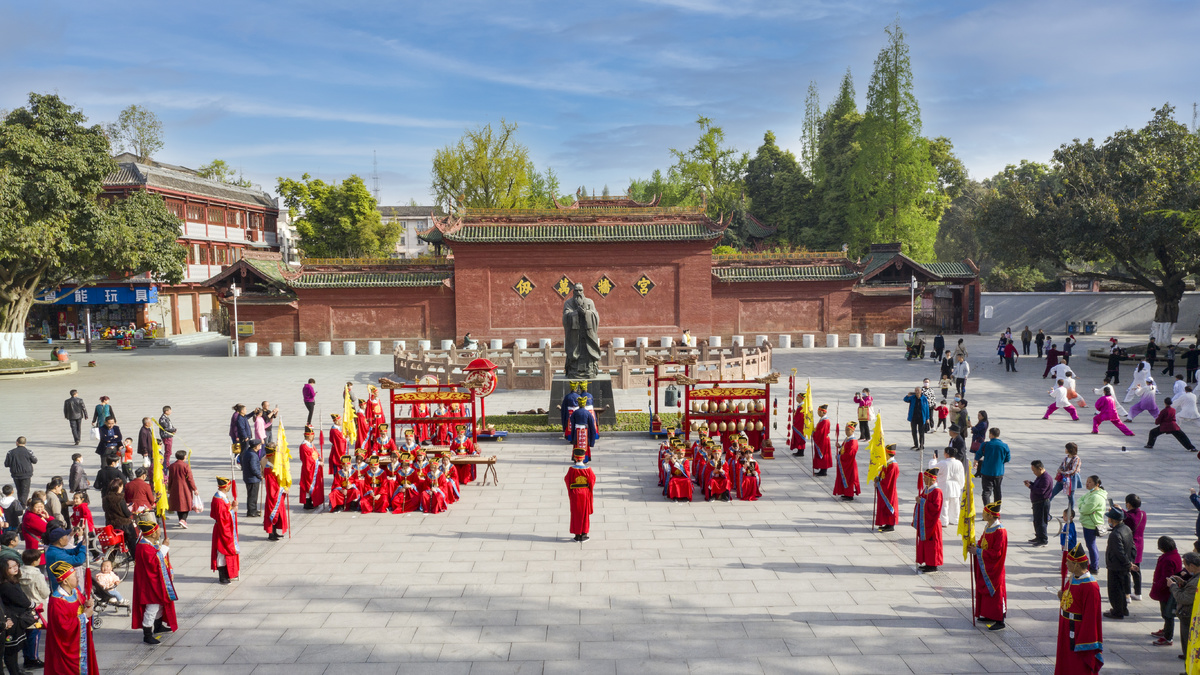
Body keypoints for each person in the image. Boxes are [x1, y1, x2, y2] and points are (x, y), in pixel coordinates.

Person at [1057, 543, 1105, 673]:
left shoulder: (1090, 587)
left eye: (1069, 562)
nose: (1066, 565)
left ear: (1077, 565)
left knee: (1077, 666)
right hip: (1066, 627)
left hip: (1078, 632)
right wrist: (1062, 597)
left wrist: (1084, 641)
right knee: (1065, 662)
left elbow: (1091, 617)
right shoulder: (1073, 578)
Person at [132, 520, 177, 645]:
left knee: (160, 604)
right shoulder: (144, 547)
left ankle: (158, 626)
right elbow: (155, 561)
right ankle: (147, 634)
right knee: (152, 606)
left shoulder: (148, 544)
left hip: (154, 580)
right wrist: (165, 547)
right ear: (153, 534)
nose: (160, 533)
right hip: (149, 583)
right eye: (158, 531)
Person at [967, 500, 1008, 630]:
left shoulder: (1000, 531)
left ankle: (999, 620)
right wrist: (976, 546)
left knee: (996, 591)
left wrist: (978, 551)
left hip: (995, 567)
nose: (983, 514)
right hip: (986, 564)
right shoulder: (988, 526)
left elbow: (997, 553)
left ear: (990, 515)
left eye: (985, 513)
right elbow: (983, 541)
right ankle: (989, 614)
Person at [1101, 504, 1135, 621]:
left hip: (1116, 566)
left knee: (1115, 590)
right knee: (1122, 588)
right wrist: (1131, 562)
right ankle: (1123, 608)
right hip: (1124, 566)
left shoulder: (1115, 534)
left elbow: (1119, 552)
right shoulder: (1127, 529)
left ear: (1112, 519)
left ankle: (1117, 611)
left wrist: (1127, 564)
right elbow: (1132, 547)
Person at [1150, 536, 1182, 647]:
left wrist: (1156, 588)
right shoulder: (1174, 555)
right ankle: (1165, 630)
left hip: (1166, 592)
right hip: (1167, 591)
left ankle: (1168, 637)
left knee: (1168, 614)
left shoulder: (1168, 559)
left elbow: (1166, 578)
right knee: (1166, 613)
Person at [18, 550, 47, 670]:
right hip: (37, 607)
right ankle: (33, 658)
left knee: (25, 633)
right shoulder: (37, 575)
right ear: (35, 561)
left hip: (22, 607)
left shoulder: (19, 572)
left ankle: (27, 657)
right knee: (35, 634)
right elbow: (45, 592)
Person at [210, 477, 240, 585]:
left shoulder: (222, 497)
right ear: (226, 486)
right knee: (221, 552)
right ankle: (222, 576)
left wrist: (232, 506)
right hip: (222, 529)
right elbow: (223, 517)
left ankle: (229, 573)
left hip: (225, 527)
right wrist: (233, 510)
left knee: (226, 551)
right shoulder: (219, 500)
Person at [913, 468, 943, 573]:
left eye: (925, 478)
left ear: (932, 479)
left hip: (933, 522)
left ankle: (933, 565)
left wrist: (922, 501)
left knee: (933, 545)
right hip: (926, 522)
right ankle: (927, 563)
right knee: (926, 544)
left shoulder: (937, 491)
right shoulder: (927, 489)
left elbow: (936, 508)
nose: (924, 480)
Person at [1078, 476, 1107, 575]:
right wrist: (1082, 505)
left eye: (1090, 482)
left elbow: (1085, 509)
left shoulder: (1095, 497)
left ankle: (1094, 567)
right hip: (1087, 522)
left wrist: (1082, 506)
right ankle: (1095, 564)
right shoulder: (1091, 493)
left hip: (1091, 524)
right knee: (1091, 545)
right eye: (1087, 481)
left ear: (1097, 484)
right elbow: (1080, 500)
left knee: (1091, 545)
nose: (1087, 483)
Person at [565, 448, 595, 542]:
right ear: (583, 458)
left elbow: (567, 480)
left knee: (575, 514)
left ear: (575, 457)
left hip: (575, 493)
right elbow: (592, 481)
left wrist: (571, 491)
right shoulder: (588, 470)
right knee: (584, 513)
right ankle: (584, 534)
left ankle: (577, 535)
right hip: (585, 493)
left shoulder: (571, 469)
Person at [974, 428, 1010, 507]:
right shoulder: (1004, 446)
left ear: (991, 434)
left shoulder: (985, 444)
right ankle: (997, 510)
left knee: (986, 491)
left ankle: (987, 510)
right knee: (997, 491)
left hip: (986, 471)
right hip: (998, 472)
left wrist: (975, 461)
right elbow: (1008, 458)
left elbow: (978, 454)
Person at [262, 445, 289, 541]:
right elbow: (272, 486)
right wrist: (282, 489)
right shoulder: (268, 469)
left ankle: (275, 531)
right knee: (272, 513)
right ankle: (271, 533)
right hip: (273, 495)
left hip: (278, 494)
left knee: (278, 513)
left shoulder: (274, 467)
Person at [931, 447, 964, 526]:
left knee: (944, 504)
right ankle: (955, 519)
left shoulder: (943, 463)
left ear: (947, 454)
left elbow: (932, 468)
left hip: (945, 485)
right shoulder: (959, 463)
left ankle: (944, 521)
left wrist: (934, 460)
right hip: (956, 485)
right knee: (955, 504)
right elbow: (962, 475)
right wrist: (961, 485)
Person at [101, 478, 135, 550]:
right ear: (119, 487)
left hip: (111, 525)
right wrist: (130, 510)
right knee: (132, 539)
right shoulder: (120, 498)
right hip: (123, 525)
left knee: (115, 544)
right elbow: (127, 514)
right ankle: (134, 556)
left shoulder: (105, 499)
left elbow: (105, 509)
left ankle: (111, 559)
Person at [166, 450, 197, 528]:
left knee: (178, 503)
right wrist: (194, 488)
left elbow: (171, 479)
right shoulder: (185, 466)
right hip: (185, 487)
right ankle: (183, 519)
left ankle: (181, 519)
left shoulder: (172, 466)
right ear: (183, 457)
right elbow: (190, 478)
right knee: (186, 503)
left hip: (175, 487)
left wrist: (169, 488)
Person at [1025, 461, 1053, 546]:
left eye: (1034, 470)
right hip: (1037, 503)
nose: (1034, 473)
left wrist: (1030, 486)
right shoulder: (1040, 477)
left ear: (1040, 469)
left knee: (1041, 522)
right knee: (1036, 521)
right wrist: (1031, 483)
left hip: (1042, 503)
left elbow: (1041, 491)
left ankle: (1043, 539)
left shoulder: (1046, 478)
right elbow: (1038, 486)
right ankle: (1038, 536)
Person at [1124, 494, 1147, 601]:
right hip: (1139, 544)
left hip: (1129, 545)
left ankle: (1127, 594)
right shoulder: (1143, 513)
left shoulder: (1128, 517)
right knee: (1136, 569)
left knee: (1126, 570)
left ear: (1128, 504)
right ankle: (1138, 593)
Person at [1048, 443, 1084, 510]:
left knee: (1070, 496)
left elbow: (1074, 470)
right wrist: (1059, 470)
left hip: (1070, 479)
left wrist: (1064, 472)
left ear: (1070, 449)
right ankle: (1044, 507)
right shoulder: (1066, 458)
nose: (1065, 450)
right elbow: (1062, 466)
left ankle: (1070, 512)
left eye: (1066, 448)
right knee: (1052, 493)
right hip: (1062, 478)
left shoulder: (1076, 459)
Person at [874, 445, 899, 533]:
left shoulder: (893, 466)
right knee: (883, 506)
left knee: (889, 505)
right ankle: (886, 523)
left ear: (888, 454)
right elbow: (883, 474)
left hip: (889, 490)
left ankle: (890, 524)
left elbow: (888, 480)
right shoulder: (887, 463)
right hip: (885, 488)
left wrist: (879, 482)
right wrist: (878, 477)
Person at [3, 440, 35, 508]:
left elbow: (6, 464)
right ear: (25, 443)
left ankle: (20, 503)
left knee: (19, 489)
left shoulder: (10, 452)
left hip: (16, 474)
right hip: (26, 474)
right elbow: (35, 460)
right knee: (25, 490)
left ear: (17, 442)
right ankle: (22, 505)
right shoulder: (29, 451)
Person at [299, 426, 324, 510]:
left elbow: (315, 453)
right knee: (308, 485)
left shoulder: (311, 444)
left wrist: (319, 457)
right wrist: (318, 463)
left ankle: (314, 500)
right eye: (312, 435)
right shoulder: (304, 446)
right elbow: (308, 460)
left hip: (314, 469)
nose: (313, 437)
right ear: (309, 436)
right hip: (308, 469)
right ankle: (307, 503)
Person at [833, 423, 860, 501]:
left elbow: (850, 454)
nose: (846, 431)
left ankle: (850, 494)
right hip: (845, 463)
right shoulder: (847, 439)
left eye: (848, 430)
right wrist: (840, 447)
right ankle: (845, 493)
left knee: (849, 479)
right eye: (845, 429)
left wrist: (839, 457)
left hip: (850, 464)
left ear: (852, 431)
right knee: (845, 478)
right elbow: (845, 448)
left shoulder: (853, 442)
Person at [240, 440, 263, 518]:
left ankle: (253, 509)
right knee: (252, 496)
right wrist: (260, 475)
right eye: (259, 445)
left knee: (252, 495)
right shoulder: (253, 455)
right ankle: (251, 512)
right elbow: (254, 468)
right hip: (252, 478)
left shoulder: (248, 452)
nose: (260, 446)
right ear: (256, 446)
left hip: (249, 477)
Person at [1058, 509, 1078, 583]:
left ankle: (1066, 569)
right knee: (1069, 557)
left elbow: (1068, 536)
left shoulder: (1069, 526)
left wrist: (1064, 544)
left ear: (1071, 517)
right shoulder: (1068, 524)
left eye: (1065, 516)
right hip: (1069, 545)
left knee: (1068, 558)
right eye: (1063, 516)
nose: (1064, 517)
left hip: (1069, 545)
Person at [812, 405, 832, 476]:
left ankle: (824, 471)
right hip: (823, 438)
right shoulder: (822, 420)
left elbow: (821, 432)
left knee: (824, 455)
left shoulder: (825, 421)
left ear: (822, 412)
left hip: (824, 440)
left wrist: (814, 433)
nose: (818, 413)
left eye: (818, 412)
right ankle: (822, 469)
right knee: (823, 455)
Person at [789, 393, 807, 457]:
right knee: (798, 438)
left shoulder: (803, 406)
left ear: (801, 398)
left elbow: (801, 416)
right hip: (798, 424)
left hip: (800, 425)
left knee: (800, 438)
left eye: (797, 397)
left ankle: (801, 452)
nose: (796, 398)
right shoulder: (800, 405)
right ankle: (799, 451)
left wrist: (795, 420)